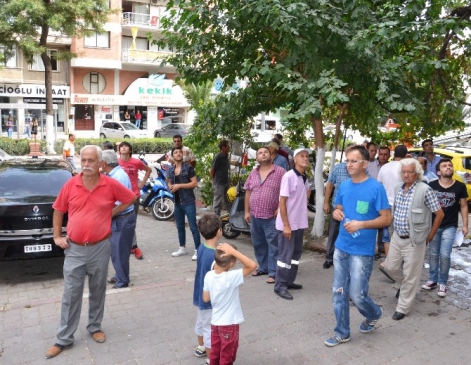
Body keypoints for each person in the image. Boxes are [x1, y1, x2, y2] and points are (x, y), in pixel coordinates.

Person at [45, 145, 136, 359]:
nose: (86, 164)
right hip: (74, 249)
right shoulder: (71, 184)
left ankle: (95, 327)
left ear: (100, 164)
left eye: (91, 161)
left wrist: (110, 213)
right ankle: (64, 338)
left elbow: (130, 198)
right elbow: (58, 210)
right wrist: (57, 236)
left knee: (97, 290)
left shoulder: (110, 184)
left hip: (100, 247)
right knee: (71, 294)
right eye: (83, 160)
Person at [325, 145, 391, 347]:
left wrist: (362, 223)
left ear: (365, 163)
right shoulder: (344, 186)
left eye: (353, 161)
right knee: (339, 291)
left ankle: (374, 313)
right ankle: (342, 332)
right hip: (342, 247)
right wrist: (336, 213)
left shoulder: (376, 188)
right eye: (347, 160)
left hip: (362, 252)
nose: (349, 164)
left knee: (358, 295)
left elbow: (386, 219)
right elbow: (339, 207)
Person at [382, 158, 443, 320]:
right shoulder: (397, 188)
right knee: (389, 267)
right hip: (397, 236)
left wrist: (430, 235)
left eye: (410, 172)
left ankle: (402, 307)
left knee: (411, 274)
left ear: (417, 173)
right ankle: (406, 287)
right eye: (404, 172)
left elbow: (439, 214)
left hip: (415, 240)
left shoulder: (425, 189)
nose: (406, 175)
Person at [202, 243, 257, 365]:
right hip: (229, 324)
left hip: (215, 323)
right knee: (227, 357)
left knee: (215, 354)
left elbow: (205, 298)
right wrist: (233, 251)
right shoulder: (231, 277)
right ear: (232, 263)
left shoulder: (209, 275)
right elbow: (252, 265)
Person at [422, 158, 468, 297]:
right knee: (434, 253)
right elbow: (425, 205)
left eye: (450, 165)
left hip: (450, 225)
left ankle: (442, 283)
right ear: (438, 171)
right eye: (444, 166)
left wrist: (465, 225)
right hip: (434, 225)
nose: (448, 167)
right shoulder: (432, 185)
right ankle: (432, 280)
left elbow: (464, 206)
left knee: (445, 254)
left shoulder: (460, 186)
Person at [244, 146, 285, 283]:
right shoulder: (253, 173)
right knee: (258, 243)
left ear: (271, 156)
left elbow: (286, 192)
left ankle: (273, 273)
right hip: (255, 215)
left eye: (265, 152)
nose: (263, 154)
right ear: (257, 158)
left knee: (273, 244)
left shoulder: (280, 172)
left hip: (271, 216)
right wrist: (246, 211)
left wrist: (280, 208)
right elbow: (248, 192)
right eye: (260, 153)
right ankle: (263, 267)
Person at [274, 148, 311, 300]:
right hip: (288, 225)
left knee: (295, 255)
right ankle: (280, 286)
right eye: (302, 156)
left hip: (299, 223)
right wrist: (286, 225)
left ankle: (289, 281)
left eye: (307, 156)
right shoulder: (288, 176)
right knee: (285, 256)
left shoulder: (304, 177)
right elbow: (282, 202)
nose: (305, 158)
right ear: (294, 160)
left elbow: (306, 192)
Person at [101, 150, 136, 289]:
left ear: (103, 163)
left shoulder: (117, 178)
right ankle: (119, 275)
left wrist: (106, 215)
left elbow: (119, 203)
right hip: (121, 218)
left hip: (122, 218)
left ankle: (122, 280)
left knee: (119, 251)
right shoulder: (114, 174)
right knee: (117, 250)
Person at [193, 214, 221, 361]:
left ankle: (201, 347)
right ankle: (211, 359)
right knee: (210, 329)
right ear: (219, 232)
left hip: (199, 293)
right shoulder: (215, 256)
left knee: (200, 322)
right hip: (209, 298)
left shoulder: (201, 247)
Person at [377, 145, 409, 271]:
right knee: (401, 234)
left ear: (393, 154)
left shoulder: (384, 167)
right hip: (402, 205)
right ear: (406, 155)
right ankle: (399, 263)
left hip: (386, 205)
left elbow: (379, 187)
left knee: (387, 235)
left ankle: (389, 262)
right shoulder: (405, 168)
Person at [322, 143, 354, 269]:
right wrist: (325, 202)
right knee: (333, 233)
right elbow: (329, 185)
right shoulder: (338, 168)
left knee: (350, 233)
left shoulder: (361, 170)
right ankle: (329, 258)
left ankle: (347, 258)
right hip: (337, 207)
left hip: (353, 208)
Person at [118, 141, 152, 260]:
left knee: (132, 223)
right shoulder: (116, 163)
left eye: (126, 146)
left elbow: (148, 170)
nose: (123, 148)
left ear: (130, 150)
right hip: (119, 198)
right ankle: (126, 245)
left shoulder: (136, 162)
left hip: (133, 196)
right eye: (121, 146)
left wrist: (142, 183)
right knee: (119, 223)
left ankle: (134, 246)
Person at [167, 146, 201, 260]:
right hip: (177, 202)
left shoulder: (188, 167)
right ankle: (182, 248)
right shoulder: (170, 169)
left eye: (180, 152)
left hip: (188, 201)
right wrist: (170, 187)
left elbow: (194, 183)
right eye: (175, 152)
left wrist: (180, 186)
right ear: (172, 156)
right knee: (180, 226)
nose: (178, 154)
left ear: (183, 155)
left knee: (193, 227)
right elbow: (169, 181)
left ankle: (198, 250)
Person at [210, 139, 231, 216]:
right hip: (218, 182)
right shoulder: (218, 157)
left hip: (225, 181)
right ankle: (216, 215)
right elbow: (212, 170)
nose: (229, 147)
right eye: (227, 146)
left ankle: (230, 213)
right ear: (223, 147)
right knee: (217, 199)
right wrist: (213, 179)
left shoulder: (226, 155)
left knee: (228, 198)